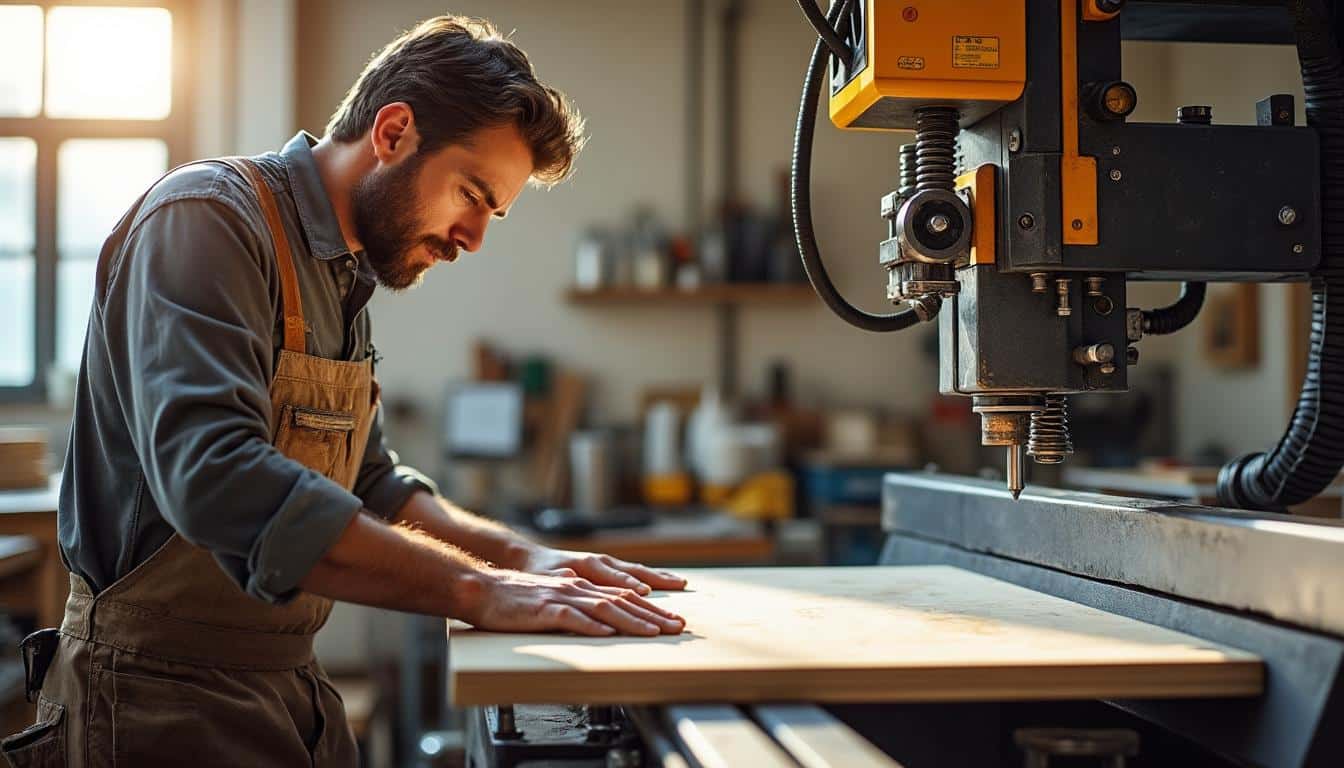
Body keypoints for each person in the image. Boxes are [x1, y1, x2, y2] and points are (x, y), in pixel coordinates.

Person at [4, 15, 686, 768]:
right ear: (393, 132)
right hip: (146, 707)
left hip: (284, 689)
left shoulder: (341, 278)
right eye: (471, 193)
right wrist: (479, 592)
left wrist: (524, 560)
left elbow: (371, 483)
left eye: (492, 213)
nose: (473, 238)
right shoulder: (207, 219)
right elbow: (217, 479)